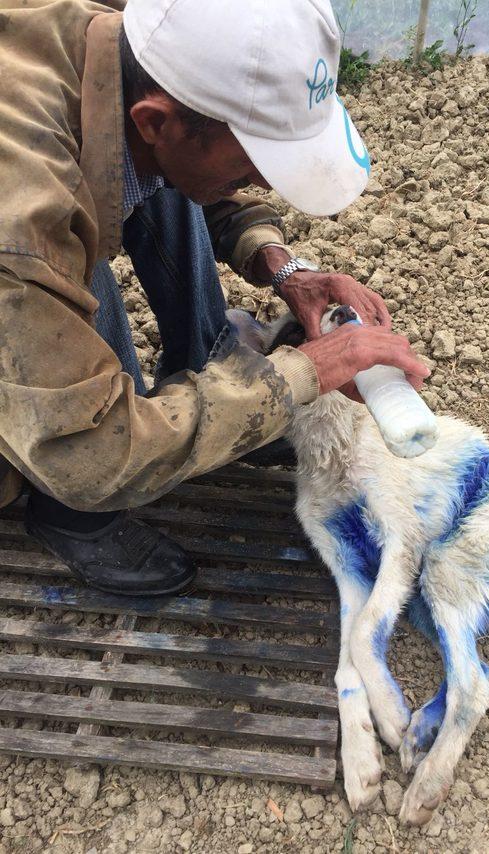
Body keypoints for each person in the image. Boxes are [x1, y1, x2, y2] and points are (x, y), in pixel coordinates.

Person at [0, 0, 428, 596]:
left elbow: (175, 164)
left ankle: (209, 372)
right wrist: (303, 372)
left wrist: (284, 269)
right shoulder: (22, 224)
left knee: (154, 176)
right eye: (255, 162)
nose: (264, 182)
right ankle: (75, 520)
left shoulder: (134, 47)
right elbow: (90, 450)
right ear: (156, 121)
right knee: (83, 441)